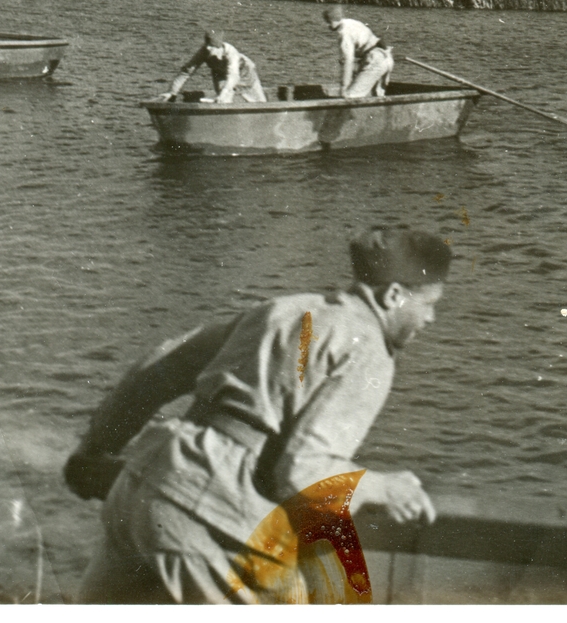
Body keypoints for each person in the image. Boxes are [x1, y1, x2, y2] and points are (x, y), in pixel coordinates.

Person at [65, 227, 451, 604]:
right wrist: (383, 487)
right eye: (429, 304)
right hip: (204, 515)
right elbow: (300, 472)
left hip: (140, 487)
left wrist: (94, 449)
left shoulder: (282, 310)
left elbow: (155, 369)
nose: (431, 319)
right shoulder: (367, 347)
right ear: (394, 295)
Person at [167, 31, 266, 103]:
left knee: (257, 100)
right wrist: (172, 92)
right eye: (207, 44)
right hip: (220, 72)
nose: (208, 48)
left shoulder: (232, 53)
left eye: (211, 46)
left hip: (244, 71)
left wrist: (225, 92)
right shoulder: (204, 51)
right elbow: (186, 71)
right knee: (223, 100)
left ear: (219, 47)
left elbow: (233, 76)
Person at [322, 5, 393, 98]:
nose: (327, 26)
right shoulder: (351, 22)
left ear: (332, 20)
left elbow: (348, 61)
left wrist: (344, 87)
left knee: (349, 96)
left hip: (375, 61)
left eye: (328, 22)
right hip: (386, 57)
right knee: (377, 95)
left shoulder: (344, 33)